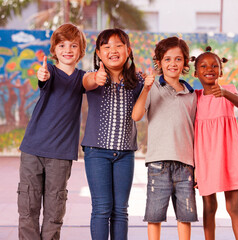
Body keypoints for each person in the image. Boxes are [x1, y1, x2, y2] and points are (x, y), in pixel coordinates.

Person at [17, 23, 88, 239]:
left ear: (80, 51)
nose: (67, 49)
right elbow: (43, 79)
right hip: (33, 150)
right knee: (28, 207)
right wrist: (42, 75)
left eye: (73, 45)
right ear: (54, 50)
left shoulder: (82, 78)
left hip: (61, 154)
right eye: (62, 45)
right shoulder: (49, 73)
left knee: (54, 211)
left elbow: (92, 82)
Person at [81, 28, 144, 240]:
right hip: (96, 152)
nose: (113, 50)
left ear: (128, 50)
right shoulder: (92, 78)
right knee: (101, 208)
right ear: (98, 53)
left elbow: (140, 112)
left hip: (126, 153)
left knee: (121, 210)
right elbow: (87, 82)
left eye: (118, 46)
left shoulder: (138, 81)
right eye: (106, 47)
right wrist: (96, 77)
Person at [132, 36, 198, 240]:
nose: (173, 64)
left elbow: (194, 130)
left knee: (185, 216)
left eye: (178, 59)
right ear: (159, 62)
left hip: (185, 164)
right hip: (158, 163)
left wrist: (197, 167)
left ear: (185, 62)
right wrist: (146, 88)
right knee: (155, 216)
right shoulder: (152, 88)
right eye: (167, 59)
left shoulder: (191, 94)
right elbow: (136, 115)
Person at [192, 46, 238, 240]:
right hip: (205, 159)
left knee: (233, 205)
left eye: (215, 65)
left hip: (227, 156)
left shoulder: (228, 91)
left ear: (221, 71)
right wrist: (194, 167)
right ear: (195, 71)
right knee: (209, 206)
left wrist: (224, 93)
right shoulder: (195, 98)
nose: (209, 69)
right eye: (204, 65)